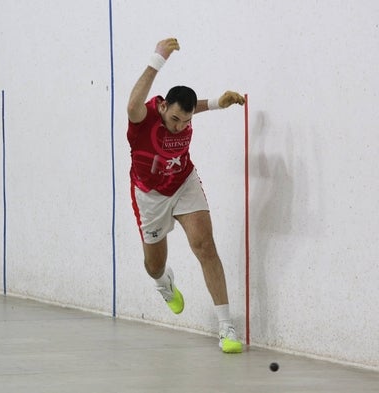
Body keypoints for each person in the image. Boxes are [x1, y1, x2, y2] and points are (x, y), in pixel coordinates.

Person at [127, 37, 246, 353]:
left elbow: (196, 108)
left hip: (183, 184)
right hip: (149, 195)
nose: (179, 127)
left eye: (186, 121)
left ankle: (227, 328)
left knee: (205, 246)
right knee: (154, 265)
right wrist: (157, 59)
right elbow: (131, 104)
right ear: (163, 106)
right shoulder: (144, 119)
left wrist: (218, 102)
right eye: (174, 119)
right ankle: (163, 282)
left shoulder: (185, 116)